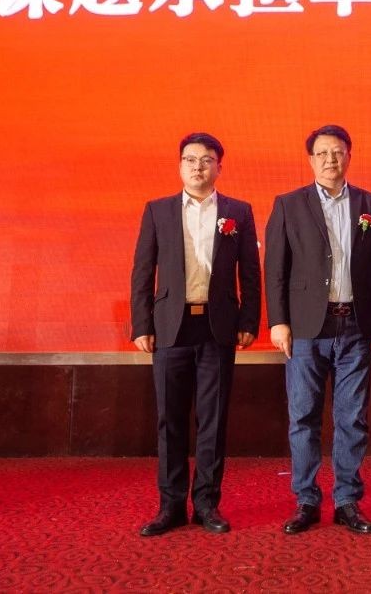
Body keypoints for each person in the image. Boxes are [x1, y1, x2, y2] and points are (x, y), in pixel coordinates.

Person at [130, 132, 261, 536]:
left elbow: (250, 273)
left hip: (217, 327)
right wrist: (142, 325)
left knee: (213, 419)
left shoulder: (238, 211)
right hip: (171, 326)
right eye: (190, 160)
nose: (198, 167)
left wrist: (248, 322)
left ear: (219, 166)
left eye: (206, 160)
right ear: (180, 166)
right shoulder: (158, 211)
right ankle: (170, 506)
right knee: (170, 420)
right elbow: (142, 271)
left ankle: (206, 504)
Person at [264, 125, 371, 536]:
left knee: (352, 417)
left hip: (355, 325)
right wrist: (278, 321)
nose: (330, 159)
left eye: (337, 152)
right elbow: (275, 268)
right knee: (303, 416)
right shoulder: (288, 204)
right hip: (305, 328)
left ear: (349, 156)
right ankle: (305, 500)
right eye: (322, 153)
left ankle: (347, 501)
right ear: (310, 160)